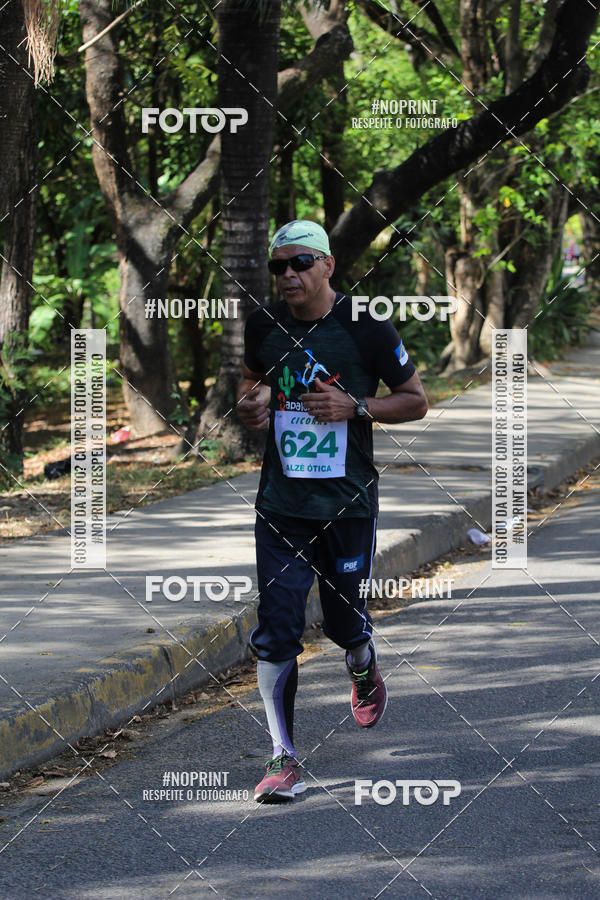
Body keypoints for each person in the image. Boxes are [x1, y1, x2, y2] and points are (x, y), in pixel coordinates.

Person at [236, 219, 428, 803]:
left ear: (327, 266)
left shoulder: (365, 326)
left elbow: (416, 401)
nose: (288, 276)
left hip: (346, 505)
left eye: (299, 263)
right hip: (280, 506)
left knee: (344, 622)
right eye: (279, 267)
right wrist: (252, 405)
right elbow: (248, 388)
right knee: (278, 628)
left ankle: (362, 658)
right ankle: (282, 757)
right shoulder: (263, 326)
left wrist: (357, 407)